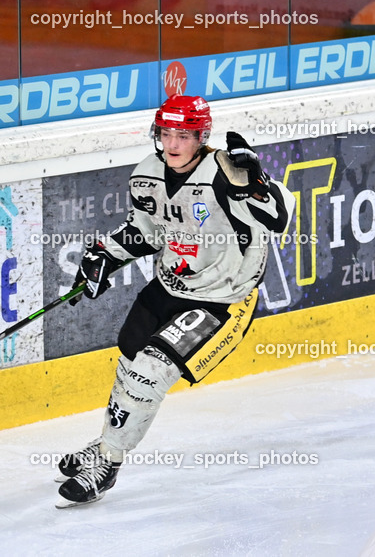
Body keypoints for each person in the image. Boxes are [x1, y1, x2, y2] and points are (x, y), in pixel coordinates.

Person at [55, 95, 295, 508]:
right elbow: (146, 231)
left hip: (222, 301)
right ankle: (108, 442)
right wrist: (105, 256)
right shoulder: (147, 174)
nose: (173, 143)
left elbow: (280, 218)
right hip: (168, 288)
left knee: (149, 371)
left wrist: (259, 183)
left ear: (202, 136)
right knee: (130, 363)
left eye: (184, 135)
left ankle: (108, 463)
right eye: (166, 133)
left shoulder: (227, 173)